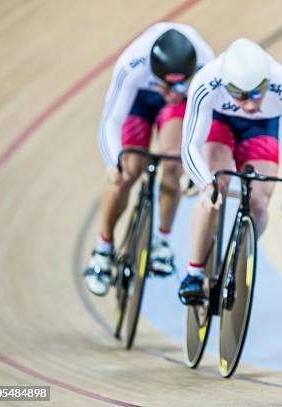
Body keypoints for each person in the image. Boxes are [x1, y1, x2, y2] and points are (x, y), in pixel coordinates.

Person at [84, 22, 214, 296]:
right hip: (140, 97)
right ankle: (103, 248)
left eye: (178, 84)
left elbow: (203, 127)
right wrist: (113, 162)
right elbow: (111, 121)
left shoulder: (205, 65)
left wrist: (194, 170)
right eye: (167, 85)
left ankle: (161, 242)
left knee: (173, 164)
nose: (171, 91)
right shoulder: (132, 64)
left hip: (181, 104)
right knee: (127, 171)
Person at [179, 38, 282, 302]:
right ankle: (194, 273)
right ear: (226, 85)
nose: (250, 104)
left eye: (258, 93)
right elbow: (190, 146)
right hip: (220, 123)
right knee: (215, 190)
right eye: (241, 96)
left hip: (261, 128)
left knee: (258, 203)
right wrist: (205, 182)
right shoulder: (206, 81)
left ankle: (237, 259)